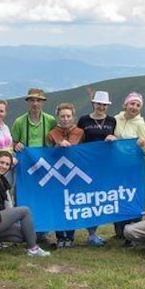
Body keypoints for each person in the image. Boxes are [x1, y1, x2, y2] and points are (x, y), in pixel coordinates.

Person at [0, 150, 50, 257]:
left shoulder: (1, 179)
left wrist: (11, 219)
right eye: (1, 162)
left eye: (7, 164)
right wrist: (12, 218)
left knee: (24, 235)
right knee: (25, 211)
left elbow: (6, 204)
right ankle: (33, 249)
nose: (4, 166)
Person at [76, 90, 117, 247]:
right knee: (89, 197)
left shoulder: (112, 121)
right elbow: (79, 140)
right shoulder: (84, 120)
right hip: (87, 165)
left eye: (104, 104)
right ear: (93, 104)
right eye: (99, 104)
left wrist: (114, 138)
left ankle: (94, 232)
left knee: (100, 197)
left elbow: (116, 138)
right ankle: (91, 232)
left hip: (105, 165)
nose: (101, 107)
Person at [112, 91, 145, 238]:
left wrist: (142, 145)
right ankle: (119, 231)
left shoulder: (140, 124)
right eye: (132, 103)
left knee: (131, 197)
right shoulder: (116, 119)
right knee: (117, 196)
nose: (134, 107)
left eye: (138, 105)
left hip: (132, 168)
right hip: (116, 166)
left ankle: (133, 232)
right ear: (125, 104)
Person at [47, 102, 85, 248]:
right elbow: (48, 152)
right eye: (62, 116)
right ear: (58, 117)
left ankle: (70, 236)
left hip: (74, 173)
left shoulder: (80, 132)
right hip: (57, 174)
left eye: (68, 116)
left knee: (72, 204)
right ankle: (59, 236)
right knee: (57, 204)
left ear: (73, 116)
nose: (65, 119)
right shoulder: (52, 133)